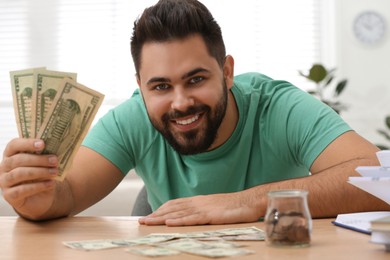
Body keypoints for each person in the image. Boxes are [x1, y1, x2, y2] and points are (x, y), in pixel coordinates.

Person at [0, 0, 389, 226]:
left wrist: (246, 202)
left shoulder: (279, 106)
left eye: (196, 78)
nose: (180, 101)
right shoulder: (134, 117)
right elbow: (64, 196)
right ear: (140, 87)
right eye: (161, 86)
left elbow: (380, 180)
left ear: (227, 72)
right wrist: (34, 197)